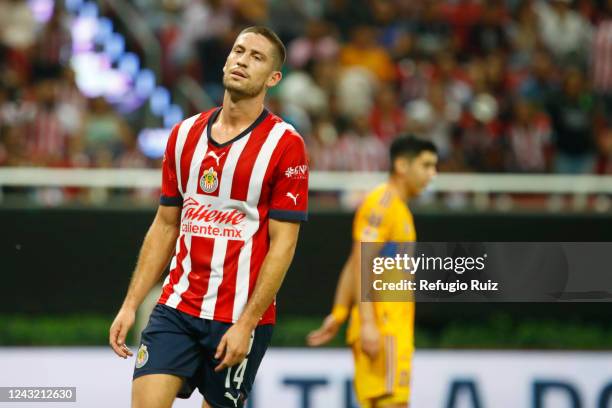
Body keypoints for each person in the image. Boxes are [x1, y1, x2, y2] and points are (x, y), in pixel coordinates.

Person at [109, 26, 309, 408]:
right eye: (238, 50)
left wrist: (247, 323)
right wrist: (131, 303)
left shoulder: (285, 144)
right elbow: (165, 224)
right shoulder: (184, 135)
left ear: (274, 78)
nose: (242, 61)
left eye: (256, 57)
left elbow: (284, 244)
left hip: (239, 318)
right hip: (176, 308)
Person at [307, 135, 438, 408]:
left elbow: (356, 259)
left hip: (390, 326)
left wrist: (340, 311)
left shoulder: (398, 209)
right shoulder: (383, 204)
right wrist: (367, 323)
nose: (432, 175)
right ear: (402, 165)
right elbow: (362, 260)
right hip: (383, 325)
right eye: (426, 165)